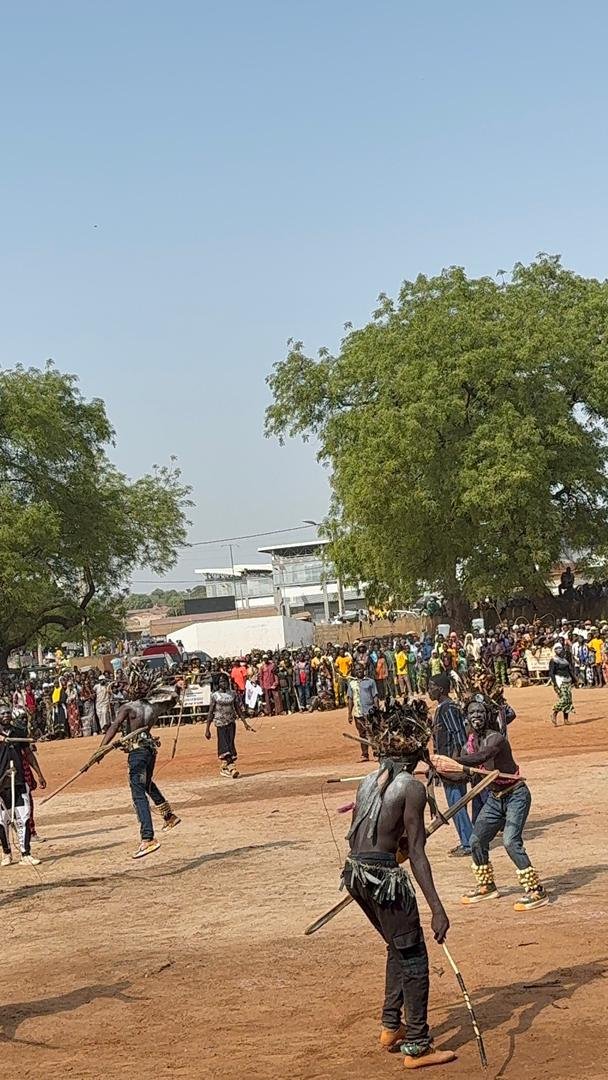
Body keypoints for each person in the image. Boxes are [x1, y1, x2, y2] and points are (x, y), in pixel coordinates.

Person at [342, 700, 456, 1069]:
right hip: (381, 880)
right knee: (414, 956)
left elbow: (358, 837)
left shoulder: (364, 783)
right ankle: (418, 1045)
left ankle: (392, 1026)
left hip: (356, 875)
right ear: (418, 752)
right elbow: (418, 854)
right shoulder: (411, 787)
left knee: (397, 944)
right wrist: (437, 909)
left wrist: (397, 850)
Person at [432, 697, 548, 911]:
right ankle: (487, 885)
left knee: (510, 841)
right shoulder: (468, 745)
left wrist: (451, 761)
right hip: (495, 799)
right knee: (476, 840)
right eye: (472, 713)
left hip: (516, 795)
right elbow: (464, 776)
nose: (476, 716)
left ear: (487, 716)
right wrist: (439, 769)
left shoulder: (496, 739)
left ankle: (536, 890)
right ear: (466, 718)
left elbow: (481, 758)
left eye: (480, 712)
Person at [99, 666, 180, 859]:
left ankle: (148, 838)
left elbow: (115, 725)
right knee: (147, 784)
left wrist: (102, 748)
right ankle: (169, 815)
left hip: (138, 752)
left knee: (137, 791)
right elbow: (173, 699)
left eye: (128, 687)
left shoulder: (128, 708)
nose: (126, 690)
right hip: (150, 750)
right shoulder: (154, 706)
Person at [428, 674, 473, 857]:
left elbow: (459, 736)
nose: (429, 690)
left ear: (440, 689)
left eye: (431, 686)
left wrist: (457, 763)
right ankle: (466, 840)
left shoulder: (448, 709)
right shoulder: (442, 708)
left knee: (456, 804)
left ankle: (469, 843)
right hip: (445, 764)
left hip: (451, 766)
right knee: (455, 803)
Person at [205, 673, 254, 778]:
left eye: (225, 681)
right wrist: (207, 729)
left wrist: (245, 723)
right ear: (218, 684)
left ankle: (224, 767)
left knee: (230, 744)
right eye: (222, 682)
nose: (224, 683)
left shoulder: (232, 694)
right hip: (220, 723)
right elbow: (210, 712)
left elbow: (238, 709)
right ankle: (232, 767)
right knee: (224, 745)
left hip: (231, 722)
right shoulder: (215, 695)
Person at [347, 663, 379, 762]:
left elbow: (375, 697)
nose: (359, 671)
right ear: (354, 672)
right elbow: (350, 699)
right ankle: (365, 754)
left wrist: (377, 711)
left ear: (364, 670)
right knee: (362, 734)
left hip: (370, 712)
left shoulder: (370, 682)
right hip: (358, 713)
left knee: (373, 733)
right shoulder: (352, 683)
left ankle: (376, 753)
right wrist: (349, 714)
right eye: (356, 670)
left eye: (360, 669)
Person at [548, 642, 576, 726]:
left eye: (560, 648)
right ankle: (554, 713)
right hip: (559, 681)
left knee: (568, 700)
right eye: (557, 648)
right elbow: (551, 673)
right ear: (554, 650)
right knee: (564, 698)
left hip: (567, 680)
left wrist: (575, 680)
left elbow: (569, 671)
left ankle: (566, 719)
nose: (559, 650)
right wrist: (555, 684)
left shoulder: (565, 661)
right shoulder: (553, 660)